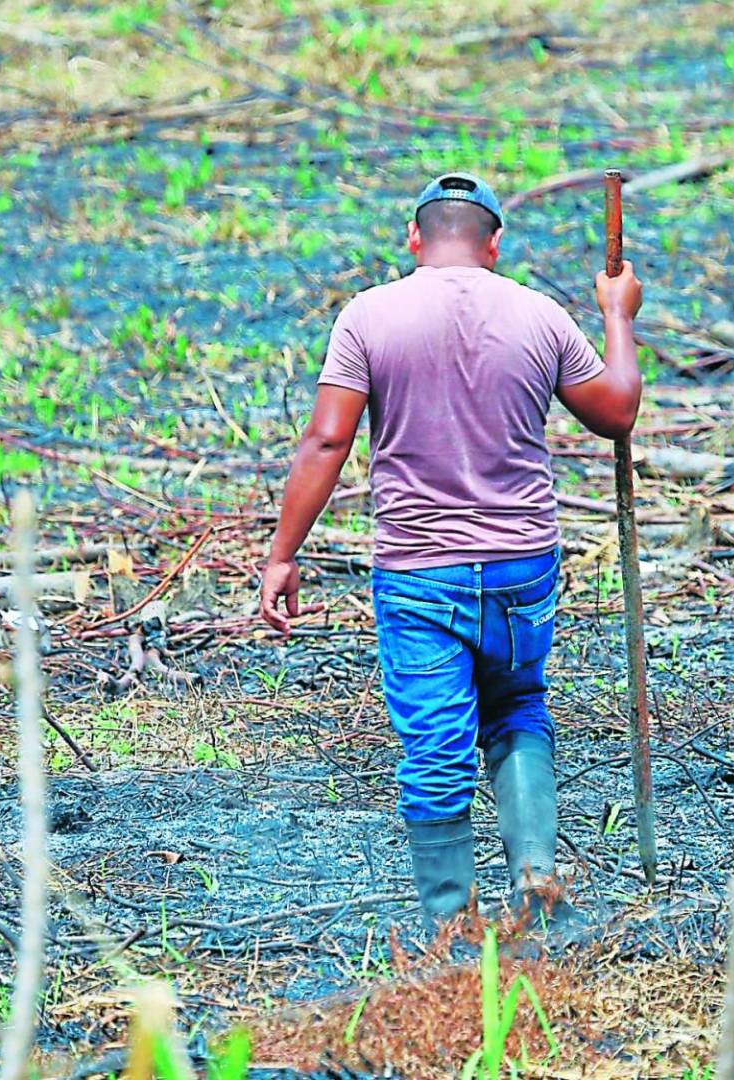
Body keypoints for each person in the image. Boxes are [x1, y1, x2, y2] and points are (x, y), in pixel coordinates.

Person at [258, 173, 645, 926]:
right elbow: (618, 411)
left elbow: (328, 438)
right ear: (494, 244)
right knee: (518, 709)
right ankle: (536, 884)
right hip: (521, 563)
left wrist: (282, 552)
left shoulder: (368, 316)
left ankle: (449, 929)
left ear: (414, 239)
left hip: (418, 568)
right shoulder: (541, 315)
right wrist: (618, 316)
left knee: (436, 744)